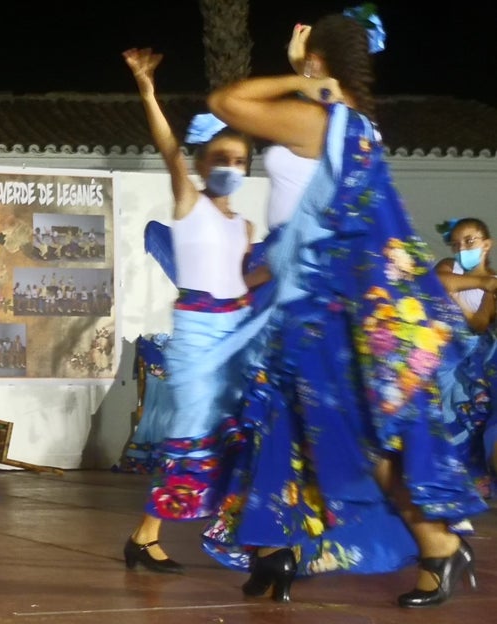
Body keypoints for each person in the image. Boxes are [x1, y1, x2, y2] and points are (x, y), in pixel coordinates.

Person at [200, 8, 487, 607]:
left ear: (317, 58)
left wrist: (299, 80)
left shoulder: (319, 118)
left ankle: (436, 544)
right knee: (281, 427)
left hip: (320, 304)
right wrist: (303, 71)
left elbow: (225, 99)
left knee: (355, 434)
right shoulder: (355, 124)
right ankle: (274, 554)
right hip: (298, 298)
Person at [118, 47, 255, 574]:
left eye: (239, 161)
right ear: (201, 164)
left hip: (234, 333)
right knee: (192, 434)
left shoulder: (242, 227)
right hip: (198, 333)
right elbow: (168, 146)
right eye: (220, 159)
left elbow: (244, 281)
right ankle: (145, 535)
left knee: (224, 436)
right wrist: (147, 89)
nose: (230, 168)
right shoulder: (190, 203)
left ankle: (145, 536)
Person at [434, 218, 497, 495]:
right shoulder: (450, 266)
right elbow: (439, 281)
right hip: (444, 349)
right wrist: (483, 282)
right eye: (456, 244)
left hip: (473, 350)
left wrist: (459, 301)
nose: (462, 248)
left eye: (469, 241)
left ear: (486, 244)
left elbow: (481, 323)